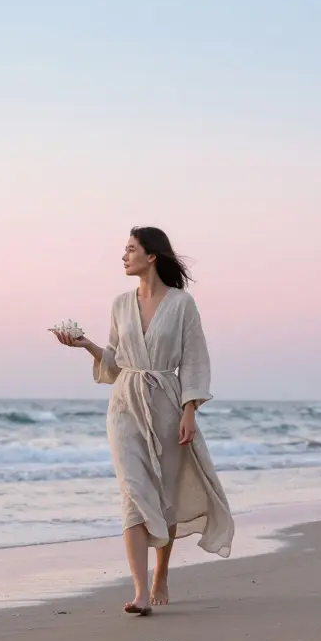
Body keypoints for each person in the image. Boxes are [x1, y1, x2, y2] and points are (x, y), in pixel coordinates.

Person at [52, 226, 234, 616]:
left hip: (167, 403)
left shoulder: (183, 304)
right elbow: (115, 363)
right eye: (125, 249)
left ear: (151, 256)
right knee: (133, 492)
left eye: (131, 249)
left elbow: (196, 360)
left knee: (164, 496)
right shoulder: (120, 303)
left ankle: (161, 573)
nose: (124, 256)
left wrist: (189, 411)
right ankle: (138, 592)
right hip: (125, 404)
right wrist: (85, 345)